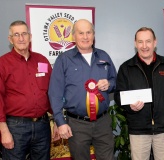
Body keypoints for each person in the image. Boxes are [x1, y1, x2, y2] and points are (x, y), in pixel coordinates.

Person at [114, 27, 164, 160]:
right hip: (138, 130)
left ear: (155, 42)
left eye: (148, 41)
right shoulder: (126, 68)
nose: (144, 46)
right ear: (135, 43)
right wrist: (129, 106)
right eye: (140, 42)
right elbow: (118, 95)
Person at [48, 19, 116, 160]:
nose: (85, 37)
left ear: (93, 35)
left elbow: (116, 82)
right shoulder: (64, 59)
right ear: (73, 36)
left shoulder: (104, 56)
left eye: (88, 32)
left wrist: (109, 84)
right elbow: (55, 93)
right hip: (76, 124)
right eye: (81, 33)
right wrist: (60, 122)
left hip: (103, 122)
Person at [0, 20, 55, 160]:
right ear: (10, 39)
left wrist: (56, 120)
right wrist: (4, 130)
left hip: (43, 126)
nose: (21, 38)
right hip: (15, 127)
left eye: (24, 34)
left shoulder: (42, 60)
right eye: (16, 34)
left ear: (30, 37)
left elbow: (52, 92)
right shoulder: (2, 64)